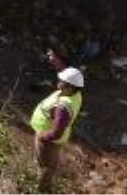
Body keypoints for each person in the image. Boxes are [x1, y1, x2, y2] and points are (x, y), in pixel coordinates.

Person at [29, 49, 84, 193]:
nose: (58, 81)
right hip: (50, 136)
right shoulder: (76, 93)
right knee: (46, 162)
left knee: (46, 166)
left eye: (62, 81)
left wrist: (42, 136)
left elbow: (56, 133)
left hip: (48, 140)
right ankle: (42, 178)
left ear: (69, 86)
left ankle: (41, 190)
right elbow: (66, 72)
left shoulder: (63, 108)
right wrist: (55, 61)